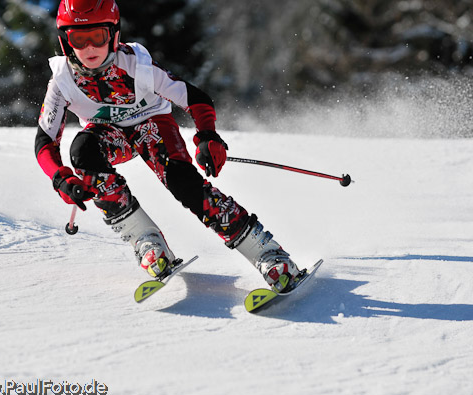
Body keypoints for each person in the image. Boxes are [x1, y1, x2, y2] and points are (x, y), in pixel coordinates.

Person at [35, 0, 301, 292]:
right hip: (109, 134)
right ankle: (146, 241)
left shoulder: (137, 65)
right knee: (82, 151)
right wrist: (60, 177)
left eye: (96, 37)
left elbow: (195, 98)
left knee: (183, 183)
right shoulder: (62, 80)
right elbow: (45, 141)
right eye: (78, 38)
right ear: (65, 40)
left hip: (152, 125)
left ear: (113, 35)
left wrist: (208, 136)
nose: (88, 48)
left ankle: (268, 253)